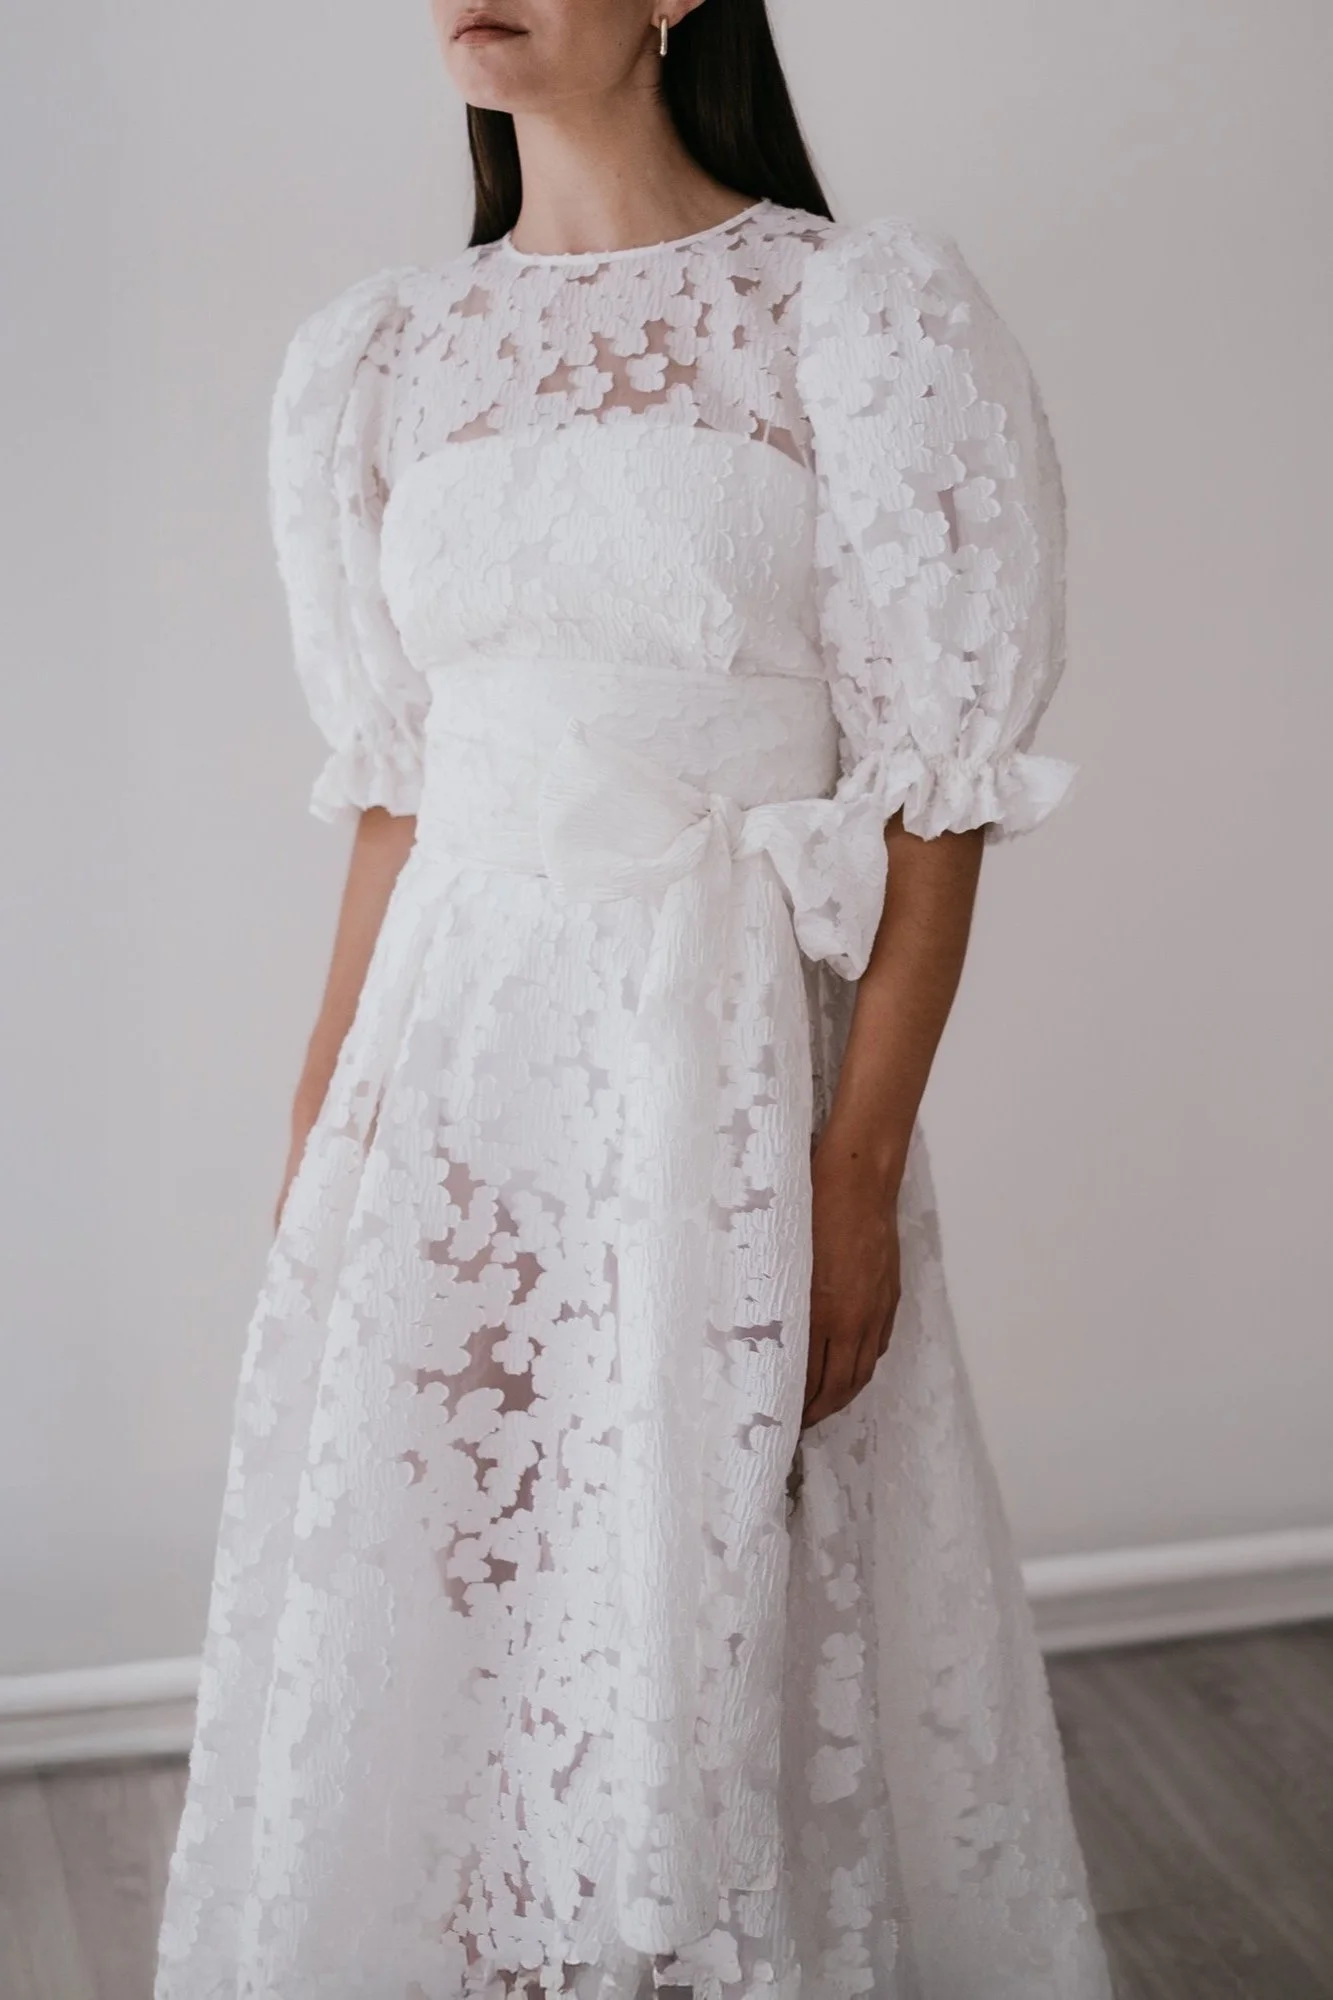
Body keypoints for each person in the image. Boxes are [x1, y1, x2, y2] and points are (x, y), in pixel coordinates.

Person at [156, 1, 1113, 1993]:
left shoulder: (854, 314)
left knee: (713, 1592)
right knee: (458, 1588)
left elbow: (936, 797)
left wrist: (857, 1177)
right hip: (451, 1079)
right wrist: (312, 1148)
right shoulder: (376, 362)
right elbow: (392, 801)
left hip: (725, 1072)